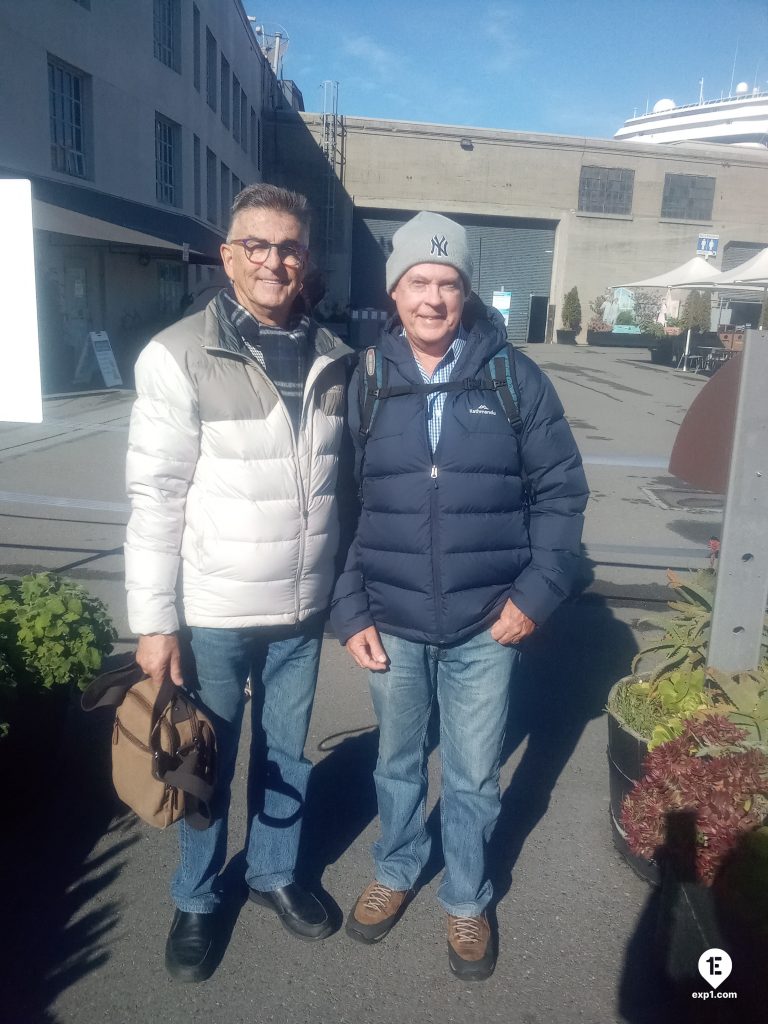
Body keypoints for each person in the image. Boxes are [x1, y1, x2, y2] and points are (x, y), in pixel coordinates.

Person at [330, 211, 588, 981]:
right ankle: (398, 867)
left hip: (487, 625)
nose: (433, 298)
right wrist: (349, 611)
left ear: (466, 291)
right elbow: (340, 506)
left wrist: (537, 595)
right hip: (392, 621)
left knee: (474, 773)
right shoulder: (367, 381)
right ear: (395, 291)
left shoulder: (515, 378)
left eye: (448, 283)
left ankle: (468, 898)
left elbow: (561, 494)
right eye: (419, 282)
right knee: (398, 763)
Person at [125, 183, 351, 982]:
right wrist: (155, 623)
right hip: (213, 609)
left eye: (288, 246)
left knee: (285, 750)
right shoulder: (179, 354)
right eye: (256, 244)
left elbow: (342, 484)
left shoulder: (334, 353)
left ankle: (273, 873)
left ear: (305, 260)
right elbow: (154, 497)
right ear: (228, 256)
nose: (273, 259)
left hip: (301, 606)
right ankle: (194, 897)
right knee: (201, 761)